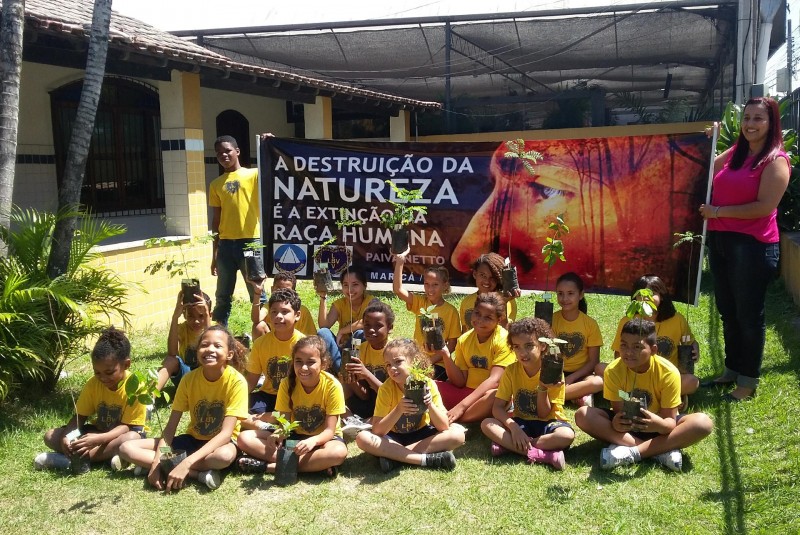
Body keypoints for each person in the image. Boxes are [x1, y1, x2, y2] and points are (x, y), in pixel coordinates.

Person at [700, 97, 790, 401]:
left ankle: (747, 382)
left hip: (752, 246)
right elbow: (707, 169)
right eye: (747, 118)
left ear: (771, 122)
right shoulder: (738, 151)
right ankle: (732, 369)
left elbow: (764, 206)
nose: (750, 124)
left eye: (758, 118)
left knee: (748, 315)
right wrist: (710, 141)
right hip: (721, 242)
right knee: (728, 310)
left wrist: (717, 212)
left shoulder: (775, 160)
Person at [117, 325, 249, 491]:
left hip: (220, 445)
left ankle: (173, 466)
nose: (210, 349)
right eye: (204, 345)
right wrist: (157, 461)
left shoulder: (237, 382)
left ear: (229, 354)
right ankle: (197, 474)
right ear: (197, 351)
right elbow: (170, 428)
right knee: (127, 448)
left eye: (217, 346)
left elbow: (226, 434)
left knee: (224, 457)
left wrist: (186, 462)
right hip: (191, 441)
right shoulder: (188, 380)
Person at [575, 319, 713, 472]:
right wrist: (616, 423)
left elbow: (669, 423)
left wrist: (658, 425)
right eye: (624, 345)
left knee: (703, 423)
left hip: (659, 424)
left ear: (653, 350)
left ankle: (633, 452)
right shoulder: (613, 371)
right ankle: (659, 451)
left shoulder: (668, 372)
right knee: (582, 415)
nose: (628, 352)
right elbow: (619, 412)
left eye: (637, 347)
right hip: (629, 428)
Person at [34, 327, 146, 471]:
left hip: (122, 435)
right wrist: (67, 437)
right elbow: (80, 417)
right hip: (96, 433)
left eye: (109, 372)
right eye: (97, 373)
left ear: (126, 365)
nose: (103, 378)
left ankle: (69, 462)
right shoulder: (93, 384)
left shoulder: (135, 386)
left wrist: (99, 439)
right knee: (51, 436)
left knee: (130, 439)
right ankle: (109, 457)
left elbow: (127, 426)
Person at [237, 335, 348, 477]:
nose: (304, 368)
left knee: (338, 452)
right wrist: (277, 434)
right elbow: (285, 424)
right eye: (299, 362)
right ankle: (316, 465)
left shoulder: (332, 386)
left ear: (324, 363)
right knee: (244, 438)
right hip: (294, 439)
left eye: (311, 362)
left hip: (322, 440)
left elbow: (329, 431)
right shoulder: (287, 384)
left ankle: (269, 467)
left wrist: (313, 441)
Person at [355, 339, 465, 472]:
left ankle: (395, 458)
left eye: (398, 362)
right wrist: (398, 409)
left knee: (457, 435)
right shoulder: (386, 389)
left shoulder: (427, 384)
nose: (392, 368)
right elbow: (378, 431)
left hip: (422, 435)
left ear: (414, 361)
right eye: (388, 365)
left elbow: (443, 426)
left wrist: (430, 405)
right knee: (362, 438)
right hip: (393, 437)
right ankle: (424, 460)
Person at [480, 317, 575, 470]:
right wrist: (514, 428)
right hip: (521, 422)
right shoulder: (511, 371)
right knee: (487, 424)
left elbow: (544, 414)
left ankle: (511, 445)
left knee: (566, 435)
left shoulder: (553, 371)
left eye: (529, 346)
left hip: (549, 423)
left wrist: (543, 387)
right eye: (516, 347)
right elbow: (497, 408)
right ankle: (545, 455)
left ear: (543, 345)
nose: (522, 352)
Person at [607, 275, 699, 398]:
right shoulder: (628, 321)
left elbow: (689, 342)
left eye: (652, 294)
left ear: (662, 296)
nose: (646, 298)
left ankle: (642, 397)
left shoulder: (677, 320)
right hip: (635, 376)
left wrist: (695, 348)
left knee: (692, 381)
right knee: (602, 369)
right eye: (641, 294)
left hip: (665, 377)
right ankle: (664, 397)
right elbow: (618, 354)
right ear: (635, 298)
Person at [435, 292, 516, 423]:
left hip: (488, 397)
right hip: (467, 394)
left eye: (488, 317)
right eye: (477, 313)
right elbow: (460, 382)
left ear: (499, 319)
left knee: (495, 395)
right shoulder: (464, 340)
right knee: (429, 385)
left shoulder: (504, 340)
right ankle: (455, 416)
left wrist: (461, 407)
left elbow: (495, 381)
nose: (480, 320)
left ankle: (454, 419)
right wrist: (446, 355)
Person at [209, 135, 263, 326]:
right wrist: (214, 254)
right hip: (225, 246)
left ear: (237, 151)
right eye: (219, 153)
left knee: (256, 290)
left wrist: (269, 143)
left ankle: (263, 331)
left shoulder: (254, 175)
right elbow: (216, 220)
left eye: (227, 151)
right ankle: (219, 332)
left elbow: (273, 166)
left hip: (250, 243)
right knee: (222, 295)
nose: (223, 155)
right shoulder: (216, 184)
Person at [392, 249, 461, 379]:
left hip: (439, 363)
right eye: (426, 284)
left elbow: (452, 345)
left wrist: (430, 361)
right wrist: (400, 262)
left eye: (435, 285)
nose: (430, 289)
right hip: (416, 360)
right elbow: (398, 290)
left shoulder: (451, 311)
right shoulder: (420, 302)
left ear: (445, 285)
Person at [243, 288, 306, 429]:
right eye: (274, 312)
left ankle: (267, 421)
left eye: (285, 312)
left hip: (294, 396)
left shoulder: (303, 344)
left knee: (302, 411)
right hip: (268, 396)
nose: (278, 316)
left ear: (297, 315)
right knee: (236, 409)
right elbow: (251, 380)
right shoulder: (260, 343)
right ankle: (270, 423)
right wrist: (236, 399)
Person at [550, 272, 604, 407]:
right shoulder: (551, 320)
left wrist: (571, 378)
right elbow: (550, 354)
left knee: (597, 382)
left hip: (581, 375)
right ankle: (575, 395)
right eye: (560, 293)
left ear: (580, 295)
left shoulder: (590, 324)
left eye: (570, 293)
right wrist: (560, 376)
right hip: (556, 373)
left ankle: (553, 396)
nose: (564, 298)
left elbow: (593, 361)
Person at [341, 300, 394, 425]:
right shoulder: (360, 349)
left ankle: (366, 422)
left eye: (378, 326)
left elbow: (391, 395)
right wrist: (352, 380)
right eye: (367, 325)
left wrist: (366, 374)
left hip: (389, 403)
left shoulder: (394, 352)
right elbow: (364, 395)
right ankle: (354, 420)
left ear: (390, 328)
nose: (371, 330)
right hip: (369, 402)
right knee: (341, 386)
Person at [317, 265, 374, 372]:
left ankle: (344, 370)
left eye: (355, 284)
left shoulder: (371, 302)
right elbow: (324, 325)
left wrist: (343, 331)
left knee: (360, 334)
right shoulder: (339, 304)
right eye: (345, 285)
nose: (350, 289)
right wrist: (323, 297)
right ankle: (342, 370)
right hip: (340, 349)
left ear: (364, 285)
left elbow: (369, 322)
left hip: (358, 347)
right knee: (323, 332)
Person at [156, 290, 212, 390]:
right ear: (184, 314)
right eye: (191, 316)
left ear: (210, 315)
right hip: (187, 379)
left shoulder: (214, 329)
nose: (196, 321)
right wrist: (175, 317)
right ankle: (148, 395)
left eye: (201, 316)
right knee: (171, 360)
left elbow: (212, 348)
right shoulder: (182, 329)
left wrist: (206, 315)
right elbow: (172, 353)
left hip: (209, 378)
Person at [459, 253, 517, 332]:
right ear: (475, 274)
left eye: (492, 277)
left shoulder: (507, 300)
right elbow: (464, 332)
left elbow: (506, 332)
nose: (487, 281)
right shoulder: (466, 302)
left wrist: (503, 303)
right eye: (483, 275)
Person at [251, 271, 316, 340]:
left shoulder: (302, 310)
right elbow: (256, 320)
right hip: (274, 343)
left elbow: (311, 337)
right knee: (258, 326)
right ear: (272, 289)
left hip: (296, 344)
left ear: (293, 292)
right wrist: (257, 294)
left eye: (286, 290)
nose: (282, 293)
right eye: (278, 289)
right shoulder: (269, 306)